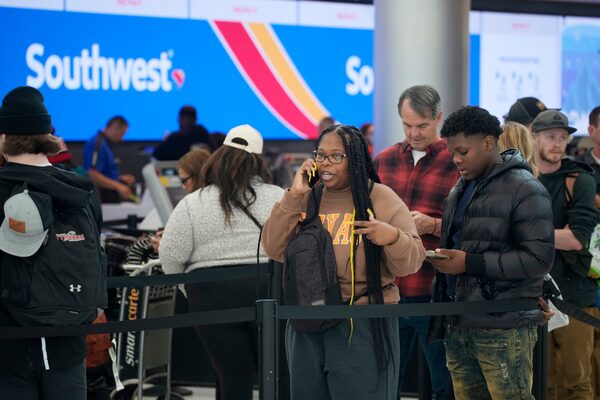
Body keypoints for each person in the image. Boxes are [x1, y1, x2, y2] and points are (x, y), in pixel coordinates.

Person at [262, 124, 426, 399]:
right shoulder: (306, 197)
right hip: (307, 319)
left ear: (356, 159)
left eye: (336, 156)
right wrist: (294, 195)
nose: (326, 162)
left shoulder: (380, 197)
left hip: (362, 321)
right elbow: (274, 247)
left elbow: (412, 262)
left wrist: (392, 237)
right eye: (320, 155)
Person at [429, 106, 555, 400]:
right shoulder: (460, 188)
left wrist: (469, 263)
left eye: (462, 151)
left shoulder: (525, 188)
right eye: (452, 152)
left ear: (488, 143)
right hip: (459, 323)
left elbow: (539, 259)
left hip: (503, 327)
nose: (456, 159)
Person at [159, 124, 284, 400]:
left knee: (232, 376)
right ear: (258, 161)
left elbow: (170, 254)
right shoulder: (278, 196)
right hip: (269, 289)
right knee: (275, 373)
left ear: (220, 156)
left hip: (209, 295)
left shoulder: (193, 202)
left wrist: (189, 288)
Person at [0, 86, 103, 399]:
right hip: (69, 339)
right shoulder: (81, 190)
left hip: (11, 343)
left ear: (4, 137)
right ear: (47, 136)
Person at [374, 85, 457, 399]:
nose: (414, 133)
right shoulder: (384, 161)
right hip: (389, 289)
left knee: (445, 381)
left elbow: (472, 224)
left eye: (421, 125)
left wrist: (432, 224)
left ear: (438, 118)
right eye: (407, 125)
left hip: (433, 289)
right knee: (385, 381)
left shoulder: (456, 161)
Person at [531, 109, 600, 400]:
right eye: (551, 137)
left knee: (577, 383)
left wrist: (525, 235)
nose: (558, 143)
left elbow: (576, 240)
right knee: (540, 384)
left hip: (575, 295)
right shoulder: (522, 178)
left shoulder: (579, 179)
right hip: (534, 297)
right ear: (534, 138)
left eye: (562, 137)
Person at [83, 115, 135, 203]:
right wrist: (118, 186)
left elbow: (102, 172)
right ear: (114, 127)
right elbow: (92, 174)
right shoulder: (97, 143)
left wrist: (119, 178)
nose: (122, 139)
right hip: (102, 198)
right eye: (122, 134)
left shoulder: (104, 143)